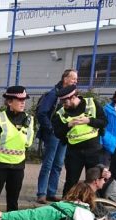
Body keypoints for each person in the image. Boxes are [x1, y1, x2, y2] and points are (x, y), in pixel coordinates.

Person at [0, 86, 33, 220]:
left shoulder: (29, 120)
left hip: (18, 167)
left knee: (13, 203)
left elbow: (27, 143)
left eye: (24, 100)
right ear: (10, 102)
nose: (23, 103)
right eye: (19, 100)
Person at [53, 85, 106, 197]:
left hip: (93, 150)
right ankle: (67, 208)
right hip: (74, 152)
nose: (63, 105)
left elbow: (104, 122)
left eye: (65, 101)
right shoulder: (61, 112)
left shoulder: (92, 103)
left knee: (95, 181)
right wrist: (68, 125)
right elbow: (57, 132)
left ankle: (96, 208)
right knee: (71, 182)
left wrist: (89, 120)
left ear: (73, 97)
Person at [35, 69, 77, 204]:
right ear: (65, 79)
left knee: (58, 164)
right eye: (73, 78)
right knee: (48, 163)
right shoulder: (53, 94)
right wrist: (51, 129)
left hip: (64, 133)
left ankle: (51, 192)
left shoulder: (71, 95)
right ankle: (42, 193)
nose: (76, 81)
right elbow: (42, 113)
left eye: (76, 79)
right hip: (54, 134)